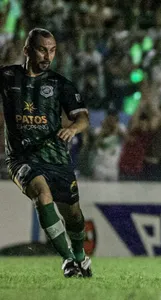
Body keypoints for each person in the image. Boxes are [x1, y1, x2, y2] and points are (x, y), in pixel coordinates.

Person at [0, 28, 92, 277]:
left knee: (73, 215)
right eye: (42, 49)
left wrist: (73, 128)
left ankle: (81, 257)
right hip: (22, 158)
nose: (47, 56)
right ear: (27, 50)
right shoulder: (8, 77)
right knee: (42, 195)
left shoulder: (60, 84)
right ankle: (69, 261)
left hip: (56, 158)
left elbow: (83, 117)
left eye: (52, 51)